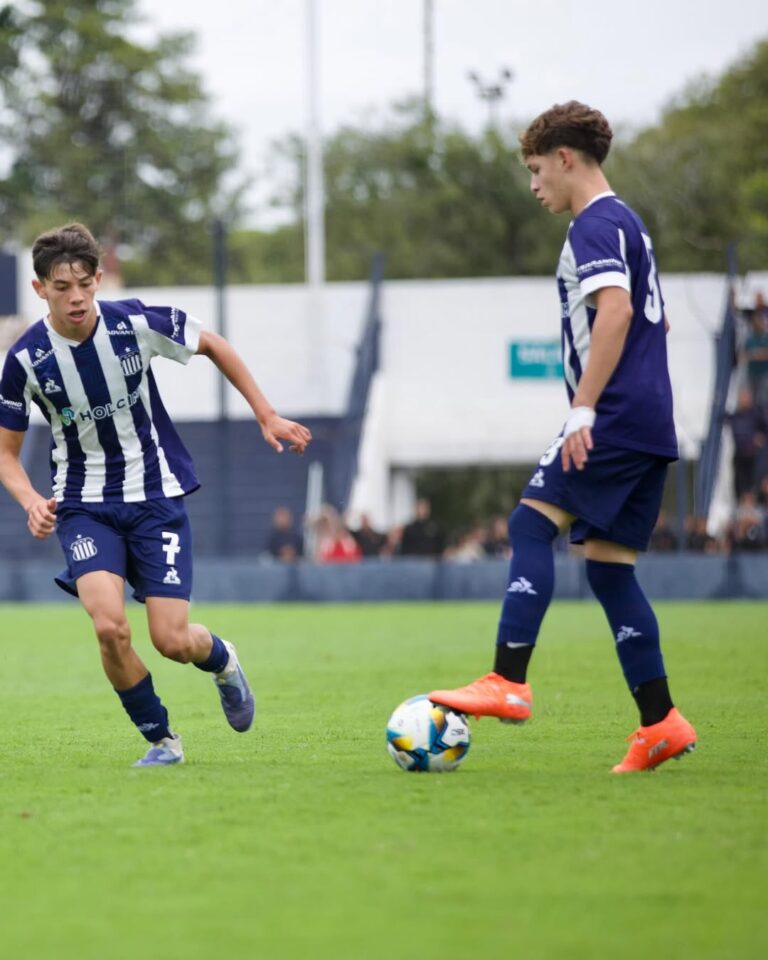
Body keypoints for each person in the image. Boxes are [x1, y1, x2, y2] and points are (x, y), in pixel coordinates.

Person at [429, 102, 697, 773]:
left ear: (566, 158)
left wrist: (583, 409)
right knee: (609, 571)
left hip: (611, 417)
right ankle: (660, 721)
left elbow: (617, 311)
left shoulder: (594, 225)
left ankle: (507, 680)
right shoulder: (630, 223)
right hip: (651, 422)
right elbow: (653, 328)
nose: (533, 183)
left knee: (527, 525)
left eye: (536, 168)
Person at [0, 223, 312, 766]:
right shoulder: (26, 360)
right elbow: (6, 453)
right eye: (60, 286)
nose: (75, 297)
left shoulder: (134, 324)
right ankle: (162, 740)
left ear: (98, 279)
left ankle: (222, 661)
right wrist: (30, 498)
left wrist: (265, 413)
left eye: (83, 284)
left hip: (154, 499)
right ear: (39, 289)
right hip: (82, 506)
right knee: (108, 626)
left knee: (171, 640)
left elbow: (212, 344)